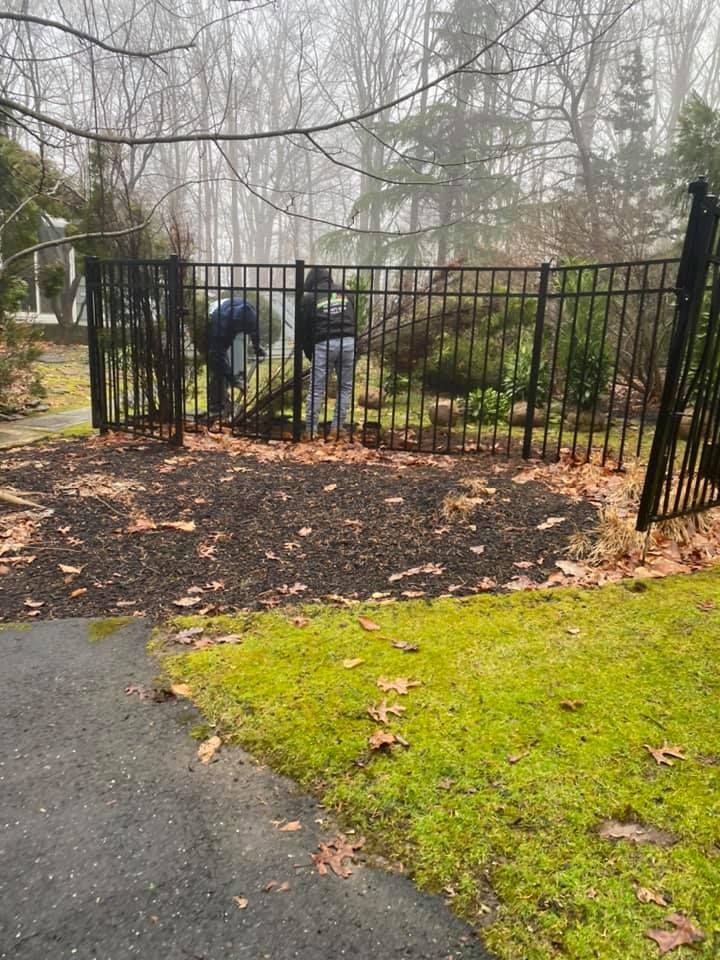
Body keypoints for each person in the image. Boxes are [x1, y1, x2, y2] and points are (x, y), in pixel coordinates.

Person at [301, 267, 356, 438]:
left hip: (323, 342)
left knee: (317, 388)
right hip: (348, 341)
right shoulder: (346, 292)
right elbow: (353, 317)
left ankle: (311, 430)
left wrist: (309, 352)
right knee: (345, 387)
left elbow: (306, 328)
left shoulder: (309, 298)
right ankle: (337, 428)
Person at [207, 297, 265, 418]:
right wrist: (234, 380)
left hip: (229, 313)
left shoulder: (250, 313)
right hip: (211, 318)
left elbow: (254, 331)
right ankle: (216, 408)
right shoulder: (221, 321)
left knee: (223, 366)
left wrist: (257, 347)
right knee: (217, 366)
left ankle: (224, 403)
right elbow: (218, 355)